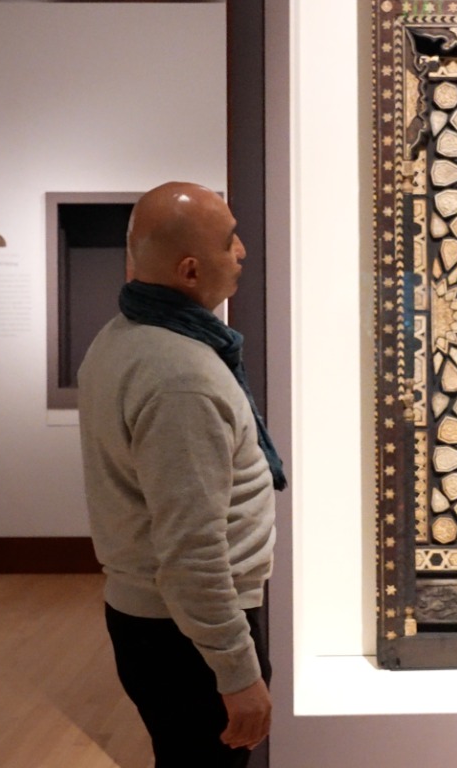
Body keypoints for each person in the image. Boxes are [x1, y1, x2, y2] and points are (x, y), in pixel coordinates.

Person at [77, 181, 286, 767]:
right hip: (186, 635)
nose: (242, 251)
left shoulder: (122, 338)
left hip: (163, 622)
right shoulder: (181, 378)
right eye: (229, 241)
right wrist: (236, 670)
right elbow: (191, 549)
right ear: (190, 270)